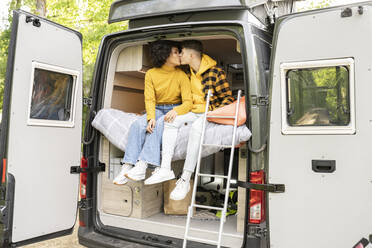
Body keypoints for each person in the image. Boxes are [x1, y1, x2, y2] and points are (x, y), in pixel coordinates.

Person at [145, 40, 235, 201]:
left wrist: (215, 114)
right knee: (169, 122)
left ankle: (185, 179)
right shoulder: (186, 73)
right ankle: (165, 168)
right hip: (193, 112)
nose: (179, 55)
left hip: (209, 113)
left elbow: (228, 98)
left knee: (196, 129)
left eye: (182, 53)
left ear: (191, 55)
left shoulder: (215, 72)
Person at [113, 40, 192, 185]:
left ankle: (142, 165)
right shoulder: (151, 74)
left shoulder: (182, 75)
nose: (179, 55)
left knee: (161, 124)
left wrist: (176, 111)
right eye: (175, 52)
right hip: (157, 108)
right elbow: (149, 99)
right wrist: (150, 118)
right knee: (137, 125)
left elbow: (188, 102)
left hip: (175, 108)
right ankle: (127, 167)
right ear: (165, 55)